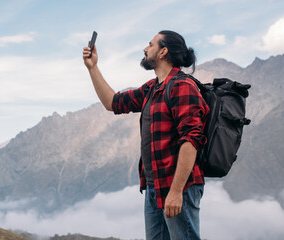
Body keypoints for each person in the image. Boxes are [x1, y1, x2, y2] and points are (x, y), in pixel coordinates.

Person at [82, 30, 208, 240]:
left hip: (179, 188)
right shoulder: (152, 88)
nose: (145, 48)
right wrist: (93, 67)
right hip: (154, 187)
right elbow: (113, 102)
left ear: (163, 52)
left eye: (150, 45)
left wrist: (176, 192)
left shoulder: (182, 86)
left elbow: (191, 141)